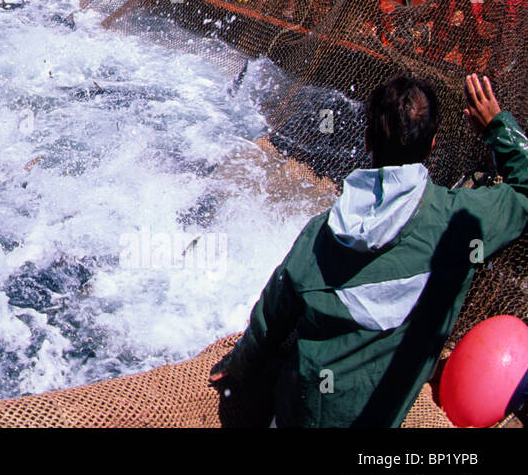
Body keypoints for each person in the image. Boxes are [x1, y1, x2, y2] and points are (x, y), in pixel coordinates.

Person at [210, 74, 528, 427]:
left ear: (365, 141)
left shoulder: (320, 231)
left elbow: (272, 315)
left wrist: (237, 365)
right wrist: (497, 128)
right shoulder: (457, 223)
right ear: (433, 145)